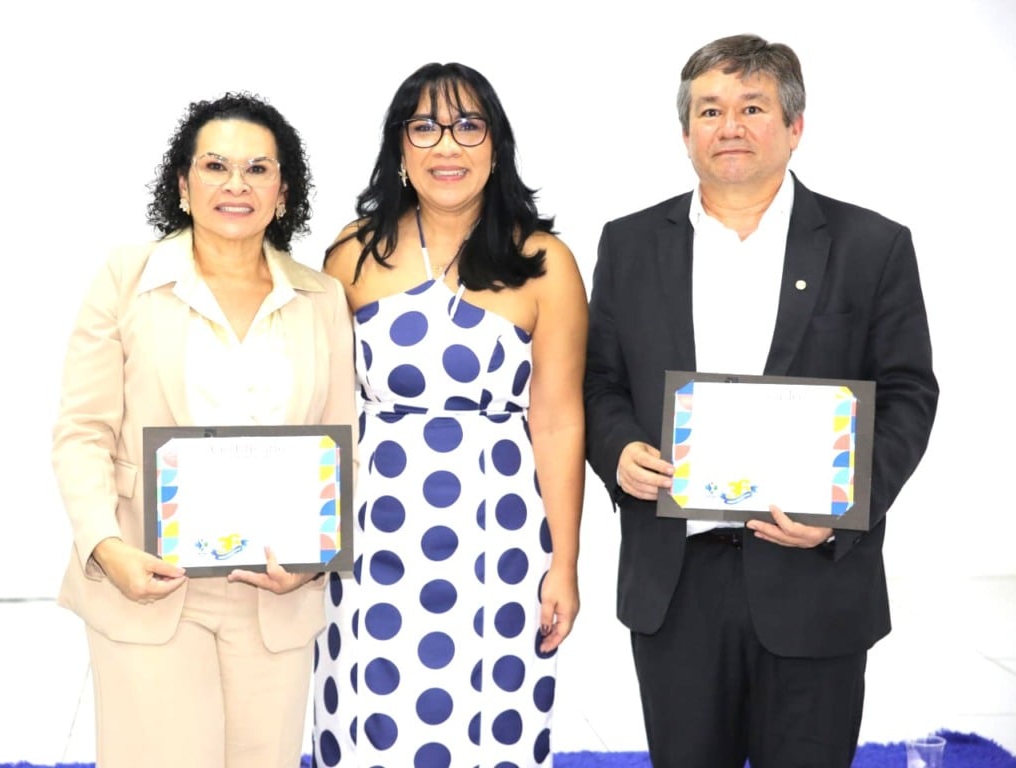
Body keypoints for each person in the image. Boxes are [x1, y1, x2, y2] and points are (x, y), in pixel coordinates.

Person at [584, 34, 939, 768]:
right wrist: (617, 450)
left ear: (795, 126)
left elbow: (909, 394)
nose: (730, 126)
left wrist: (844, 507)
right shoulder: (629, 244)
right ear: (686, 132)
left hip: (815, 575)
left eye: (752, 107)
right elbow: (598, 381)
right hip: (677, 578)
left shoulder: (872, 245)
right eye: (709, 109)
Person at [51, 92, 355, 768]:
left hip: (274, 594)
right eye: (216, 166)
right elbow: (82, 431)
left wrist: (312, 561)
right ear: (184, 186)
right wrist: (106, 547)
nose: (236, 184)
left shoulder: (321, 297)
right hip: (149, 582)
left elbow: (341, 444)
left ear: (283, 192)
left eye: (257, 169)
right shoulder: (126, 279)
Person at [312, 62, 587, 767]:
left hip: (499, 535)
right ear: (399, 147)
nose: (446, 145)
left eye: (468, 126)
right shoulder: (351, 254)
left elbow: (557, 421)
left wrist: (564, 563)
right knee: (371, 713)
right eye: (425, 127)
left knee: (491, 717)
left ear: (496, 144)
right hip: (374, 531)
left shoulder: (545, 262)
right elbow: (324, 411)